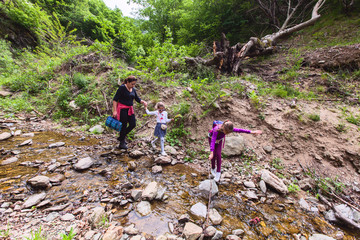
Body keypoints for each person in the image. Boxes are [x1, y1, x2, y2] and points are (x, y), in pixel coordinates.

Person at [112, 76, 147, 149]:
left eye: (134, 84)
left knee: (133, 124)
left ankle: (121, 137)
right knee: (123, 125)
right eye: (132, 84)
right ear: (127, 82)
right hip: (122, 109)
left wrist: (142, 102)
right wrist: (115, 111)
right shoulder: (122, 88)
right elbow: (115, 100)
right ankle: (122, 143)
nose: (133, 86)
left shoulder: (133, 89)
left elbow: (137, 99)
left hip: (130, 109)